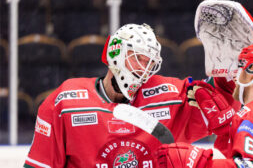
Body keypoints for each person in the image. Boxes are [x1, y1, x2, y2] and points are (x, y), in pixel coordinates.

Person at [23, 23, 236, 168]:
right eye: (138, 59)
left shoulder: (169, 95)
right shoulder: (66, 102)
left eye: (150, 63)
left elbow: (222, 97)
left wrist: (230, 64)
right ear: (115, 54)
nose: (145, 70)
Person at [156, 41, 253, 168]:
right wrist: (225, 132)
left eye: (240, 66)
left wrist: (198, 162)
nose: (235, 75)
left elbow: (250, 166)